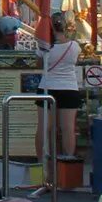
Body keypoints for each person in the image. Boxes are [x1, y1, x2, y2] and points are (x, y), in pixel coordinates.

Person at [41, 14, 84, 160]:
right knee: (68, 128)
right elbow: (75, 62)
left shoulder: (44, 46)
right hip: (69, 87)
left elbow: (38, 65)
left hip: (47, 86)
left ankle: (41, 162)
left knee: (44, 127)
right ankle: (68, 160)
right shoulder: (75, 46)